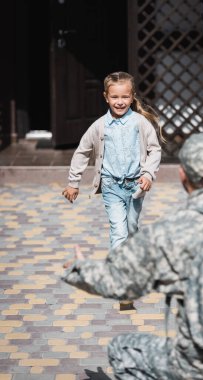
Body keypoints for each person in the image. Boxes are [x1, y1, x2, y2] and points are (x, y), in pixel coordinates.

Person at [62, 132, 203, 379]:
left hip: (197, 366)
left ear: (183, 174)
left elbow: (119, 284)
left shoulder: (169, 232)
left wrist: (80, 268)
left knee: (123, 349)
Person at [62, 71, 161, 310]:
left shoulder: (140, 123)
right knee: (119, 232)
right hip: (111, 186)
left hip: (136, 187)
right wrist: (73, 182)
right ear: (105, 97)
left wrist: (148, 174)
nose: (120, 101)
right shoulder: (99, 126)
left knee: (132, 229)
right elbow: (82, 152)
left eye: (125, 97)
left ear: (132, 97)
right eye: (115, 96)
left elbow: (154, 149)